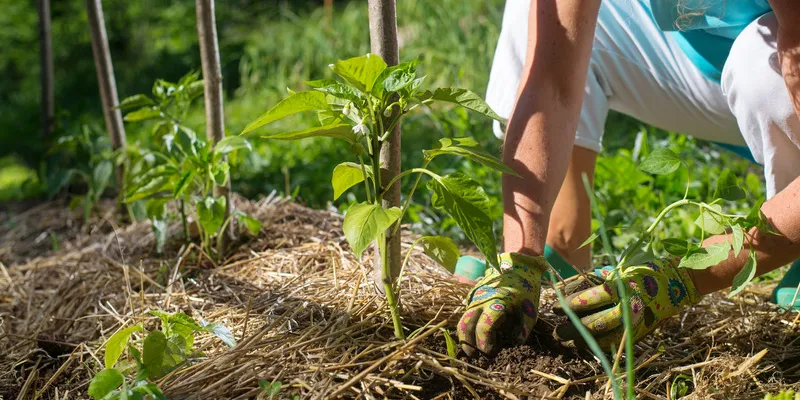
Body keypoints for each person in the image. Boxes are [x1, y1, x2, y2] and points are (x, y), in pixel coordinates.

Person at [457, 0, 800, 356]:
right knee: (544, 16)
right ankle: (560, 246)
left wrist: (678, 280)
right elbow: (552, 79)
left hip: (772, 70)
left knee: (761, 69)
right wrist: (519, 256)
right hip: (703, 55)